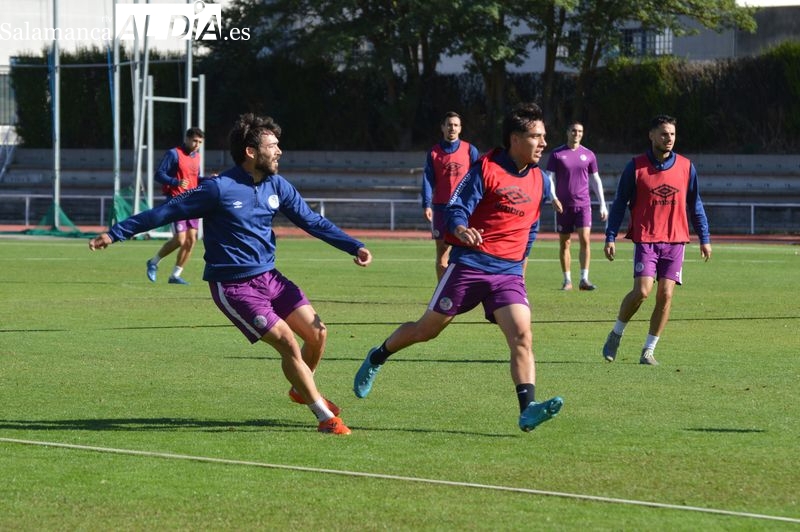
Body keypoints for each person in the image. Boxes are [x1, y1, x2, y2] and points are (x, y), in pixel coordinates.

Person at [90, 113, 373, 435]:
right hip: (235, 286)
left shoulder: (277, 185)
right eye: (273, 146)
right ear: (251, 152)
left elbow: (312, 221)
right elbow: (165, 211)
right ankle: (324, 416)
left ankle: (300, 387)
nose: (279, 151)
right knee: (288, 343)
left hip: (270, 278)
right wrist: (116, 233)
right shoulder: (218, 188)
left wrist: (354, 246)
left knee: (318, 334)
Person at [354, 102, 564, 433]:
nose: (543, 143)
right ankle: (378, 356)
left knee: (522, 335)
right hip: (470, 265)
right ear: (514, 139)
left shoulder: (541, 179)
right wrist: (462, 228)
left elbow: (533, 225)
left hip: (508, 272)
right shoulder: (486, 167)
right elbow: (455, 209)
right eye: (536, 136)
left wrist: (522, 261)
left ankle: (528, 409)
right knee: (427, 330)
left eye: (544, 136)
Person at [602, 114, 711, 366]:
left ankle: (648, 350)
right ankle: (616, 333)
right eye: (663, 133)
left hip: (675, 240)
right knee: (642, 291)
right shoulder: (636, 166)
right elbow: (619, 204)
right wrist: (610, 236)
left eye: (672, 134)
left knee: (665, 295)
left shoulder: (686, 167)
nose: (668, 138)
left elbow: (695, 204)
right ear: (651, 136)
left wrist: (704, 237)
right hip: (647, 238)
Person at [545, 121, 608, 290]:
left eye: (580, 131)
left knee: (585, 240)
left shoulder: (588, 154)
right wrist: (553, 197)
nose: (577, 134)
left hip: (583, 205)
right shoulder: (557, 154)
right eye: (574, 130)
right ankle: (567, 280)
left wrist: (602, 204)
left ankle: (584, 279)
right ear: (567, 132)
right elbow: (549, 177)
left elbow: (595, 179)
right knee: (565, 243)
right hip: (563, 206)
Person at [421, 111, 480, 280]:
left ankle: (465, 290)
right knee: (442, 254)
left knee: (468, 251)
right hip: (441, 208)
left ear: (460, 128)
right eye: (449, 124)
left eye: (455, 125)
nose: (452, 128)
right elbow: (427, 179)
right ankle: (441, 294)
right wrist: (426, 204)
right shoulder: (434, 152)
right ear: (443, 128)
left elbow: (479, 178)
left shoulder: (470, 150)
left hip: (464, 209)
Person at [145, 127, 205, 285]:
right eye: (194, 141)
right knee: (180, 239)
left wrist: (208, 180)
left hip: (192, 202)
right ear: (186, 138)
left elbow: (195, 178)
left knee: (191, 240)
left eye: (199, 142)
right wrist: (175, 182)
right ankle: (153, 262)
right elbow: (159, 174)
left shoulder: (197, 157)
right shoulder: (174, 154)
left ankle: (175, 275)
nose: (197, 144)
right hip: (177, 201)